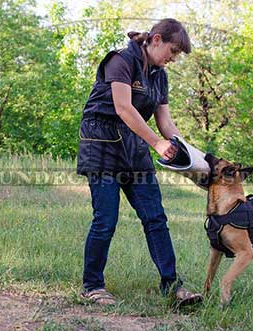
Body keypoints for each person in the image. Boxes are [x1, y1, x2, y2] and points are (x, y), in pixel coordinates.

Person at [76, 18, 203, 306]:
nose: (173, 58)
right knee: (105, 219)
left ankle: (172, 286)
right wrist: (156, 143)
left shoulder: (159, 75)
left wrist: (192, 155)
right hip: (102, 145)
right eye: (173, 50)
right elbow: (123, 108)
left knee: (155, 217)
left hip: (134, 146)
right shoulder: (120, 60)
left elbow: (165, 122)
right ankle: (92, 286)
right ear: (156, 39)